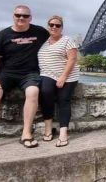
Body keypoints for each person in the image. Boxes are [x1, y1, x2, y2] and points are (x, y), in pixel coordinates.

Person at [0, 5, 49, 155]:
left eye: (25, 16)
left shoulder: (40, 32)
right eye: (18, 15)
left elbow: (55, 41)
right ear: (13, 16)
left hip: (30, 73)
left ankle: (26, 134)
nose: (21, 18)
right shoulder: (3, 35)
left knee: (33, 91)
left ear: (30, 18)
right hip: (6, 73)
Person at [38, 15, 79, 147]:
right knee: (45, 93)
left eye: (57, 25)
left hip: (67, 75)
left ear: (62, 28)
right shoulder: (43, 41)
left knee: (64, 100)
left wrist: (63, 76)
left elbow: (72, 59)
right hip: (47, 74)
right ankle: (48, 129)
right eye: (51, 24)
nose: (54, 27)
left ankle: (63, 133)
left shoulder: (67, 40)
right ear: (48, 26)